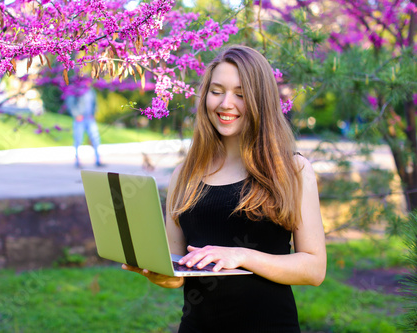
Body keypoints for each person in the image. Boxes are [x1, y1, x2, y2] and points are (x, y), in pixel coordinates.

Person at [123, 45, 326, 332]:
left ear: (261, 101)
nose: (225, 104)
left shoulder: (291, 170)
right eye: (217, 91)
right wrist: (153, 270)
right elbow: (176, 274)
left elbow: (314, 269)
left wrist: (240, 256)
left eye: (240, 95)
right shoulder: (185, 173)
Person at [65, 87, 102, 168]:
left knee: (95, 138)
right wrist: (76, 114)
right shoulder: (75, 90)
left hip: (90, 118)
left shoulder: (91, 91)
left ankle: (97, 160)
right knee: (78, 139)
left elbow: (94, 103)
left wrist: (94, 114)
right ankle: (77, 160)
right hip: (80, 119)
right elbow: (70, 103)